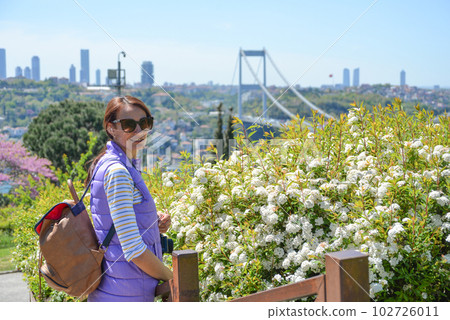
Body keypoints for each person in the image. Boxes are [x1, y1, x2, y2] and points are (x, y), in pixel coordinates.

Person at [85, 95, 173, 302]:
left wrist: (152, 222)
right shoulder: (118, 172)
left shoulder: (114, 163)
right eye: (128, 125)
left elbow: (114, 223)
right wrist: (173, 278)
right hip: (127, 293)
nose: (139, 131)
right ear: (110, 128)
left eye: (145, 123)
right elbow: (133, 250)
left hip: (116, 288)